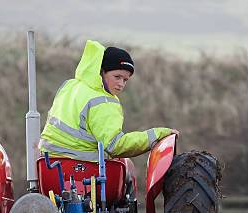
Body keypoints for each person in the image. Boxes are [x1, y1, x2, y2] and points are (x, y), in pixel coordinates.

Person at [39, 40, 179, 161]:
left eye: (125, 80)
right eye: (117, 76)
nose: (121, 84)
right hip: (81, 169)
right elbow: (115, 145)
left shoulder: (70, 86)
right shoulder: (102, 101)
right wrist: (158, 134)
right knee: (125, 170)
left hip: (48, 165)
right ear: (101, 72)